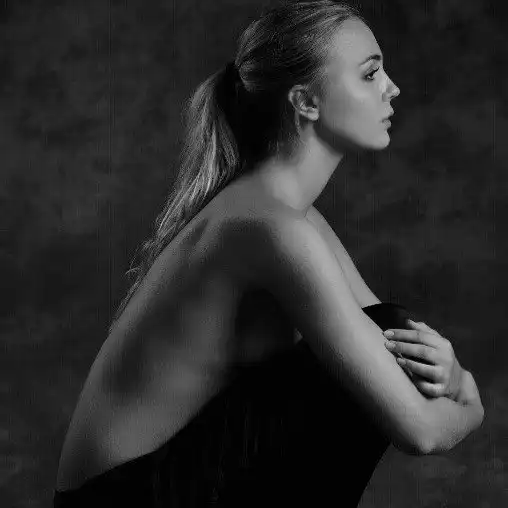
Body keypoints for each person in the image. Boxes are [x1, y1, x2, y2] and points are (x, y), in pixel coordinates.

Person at [53, 1, 484, 506]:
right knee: (362, 364)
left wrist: (448, 370)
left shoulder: (291, 217)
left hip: (153, 486)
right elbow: (421, 431)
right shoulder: (270, 227)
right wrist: (469, 402)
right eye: (370, 74)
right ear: (306, 101)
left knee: (382, 333)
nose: (392, 88)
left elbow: (396, 344)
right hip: (119, 500)